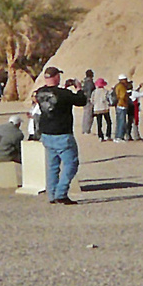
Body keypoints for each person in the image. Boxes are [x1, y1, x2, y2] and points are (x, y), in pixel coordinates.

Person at [33, 66, 85, 205]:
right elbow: (81, 101)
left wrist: (64, 88)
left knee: (52, 166)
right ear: (56, 77)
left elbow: (53, 95)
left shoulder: (40, 93)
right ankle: (61, 193)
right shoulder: (64, 94)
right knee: (71, 164)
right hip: (62, 133)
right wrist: (78, 88)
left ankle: (51, 194)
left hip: (46, 133)